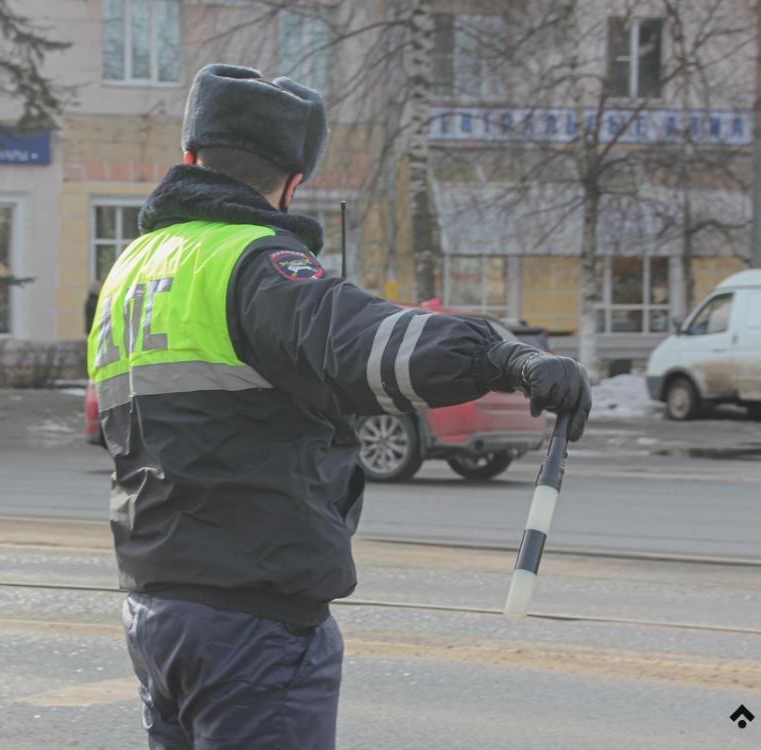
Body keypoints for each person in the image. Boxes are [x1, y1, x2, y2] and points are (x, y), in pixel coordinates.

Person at [88, 63, 591, 750]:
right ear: (292, 179)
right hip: (252, 617)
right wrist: (510, 358)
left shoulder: (132, 270)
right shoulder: (250, 259)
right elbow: (372, 342)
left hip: (157, 606)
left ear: (189, 156)